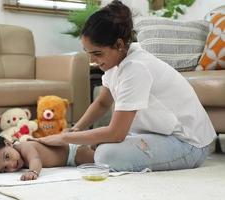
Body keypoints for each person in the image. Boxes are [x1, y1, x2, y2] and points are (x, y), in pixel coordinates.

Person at [30, 0, 216, 172]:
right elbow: (103, 103)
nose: (93, 60)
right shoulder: (114, 62)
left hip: (190, 144)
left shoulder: (136, 68)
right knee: (100, 142)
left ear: (119, 44)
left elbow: (116, 133)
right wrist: (75, 129)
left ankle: (71, 155)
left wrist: (64, 138)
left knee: (107, 154)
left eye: (97, 53)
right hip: (161, 134)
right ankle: (76, 150)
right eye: (88, 53)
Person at [0, 132, 94, 181]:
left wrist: (33, 171)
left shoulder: (24, 147)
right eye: (4, 169)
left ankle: (99, 144)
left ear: (8, 143)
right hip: (68, 160)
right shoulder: (16, 158)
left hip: (73, 151)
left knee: (97, 159)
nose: (11, 165)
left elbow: (35, 159)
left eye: (7, 157)